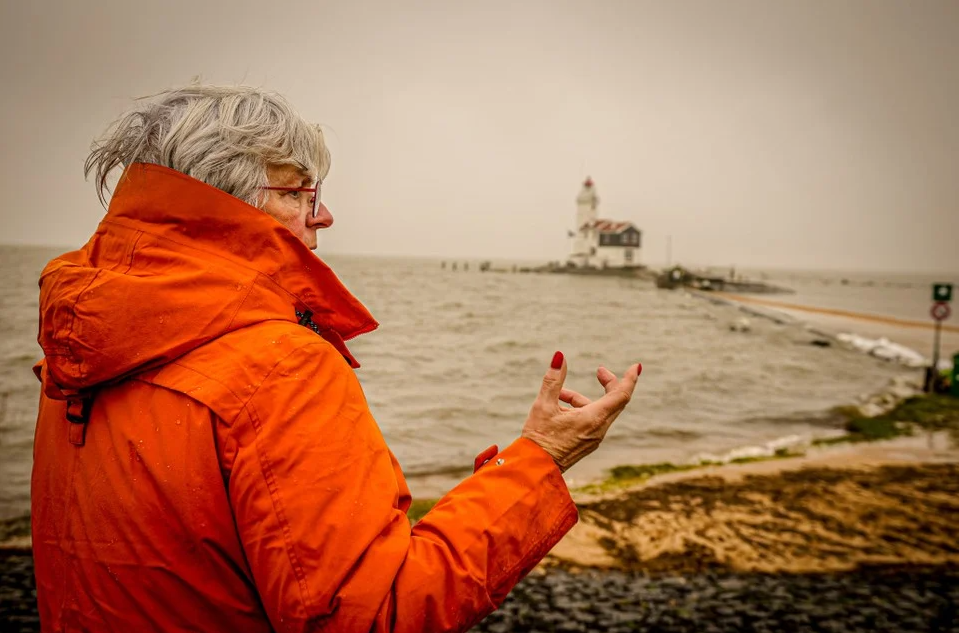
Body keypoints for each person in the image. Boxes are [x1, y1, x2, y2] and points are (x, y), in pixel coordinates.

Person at [31, 84, 642, 633]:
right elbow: (375, 615)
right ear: (235, 203)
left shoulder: (82, 348)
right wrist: (540, 457)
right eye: (301, 192)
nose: (323, 214)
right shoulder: (275, 365)